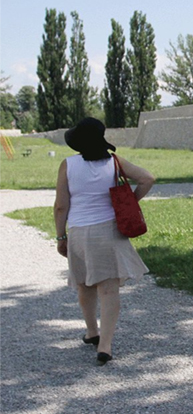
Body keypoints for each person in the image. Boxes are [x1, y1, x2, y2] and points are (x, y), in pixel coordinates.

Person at [54, 117, 155, 366]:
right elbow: (147, 178)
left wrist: (61, 236)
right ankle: (105, 346)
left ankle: (92, 331)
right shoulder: (115, 163)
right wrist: (130, 202)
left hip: (78, 232)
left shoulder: (67, 166)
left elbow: (60, 206)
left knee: (85, 285)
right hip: (109, 231)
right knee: (109, 290)